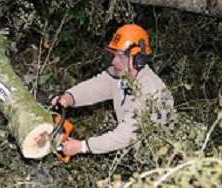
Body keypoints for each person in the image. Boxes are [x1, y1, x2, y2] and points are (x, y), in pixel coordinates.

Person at [51, 24, 174, 156]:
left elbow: (125, 136)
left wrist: (83, 146)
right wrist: (69, 97)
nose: (114, 61)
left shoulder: (150, 92)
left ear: (138, 59)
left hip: (156, 159)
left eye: (120, 57)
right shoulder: (122, 76)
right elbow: (96, 86)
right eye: (114, 56)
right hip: (132, 151)